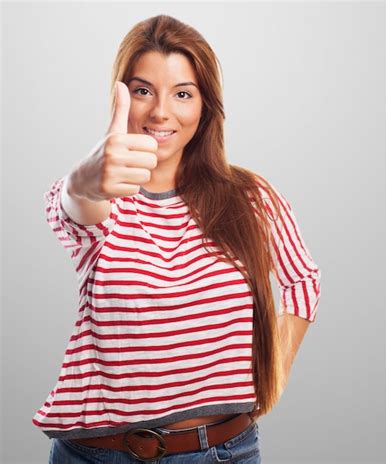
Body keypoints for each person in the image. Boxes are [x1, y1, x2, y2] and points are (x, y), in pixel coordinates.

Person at [33, 14, 322, 463]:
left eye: (182, 94)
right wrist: (84, 180)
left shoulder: (250, 198)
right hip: (100, 455)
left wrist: (272, 374)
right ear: (121, 95)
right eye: (143, 90)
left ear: (205, 106)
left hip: (224, 451)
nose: (161, 112)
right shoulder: (105, 200)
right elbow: (74, 201)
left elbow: (303, 282)